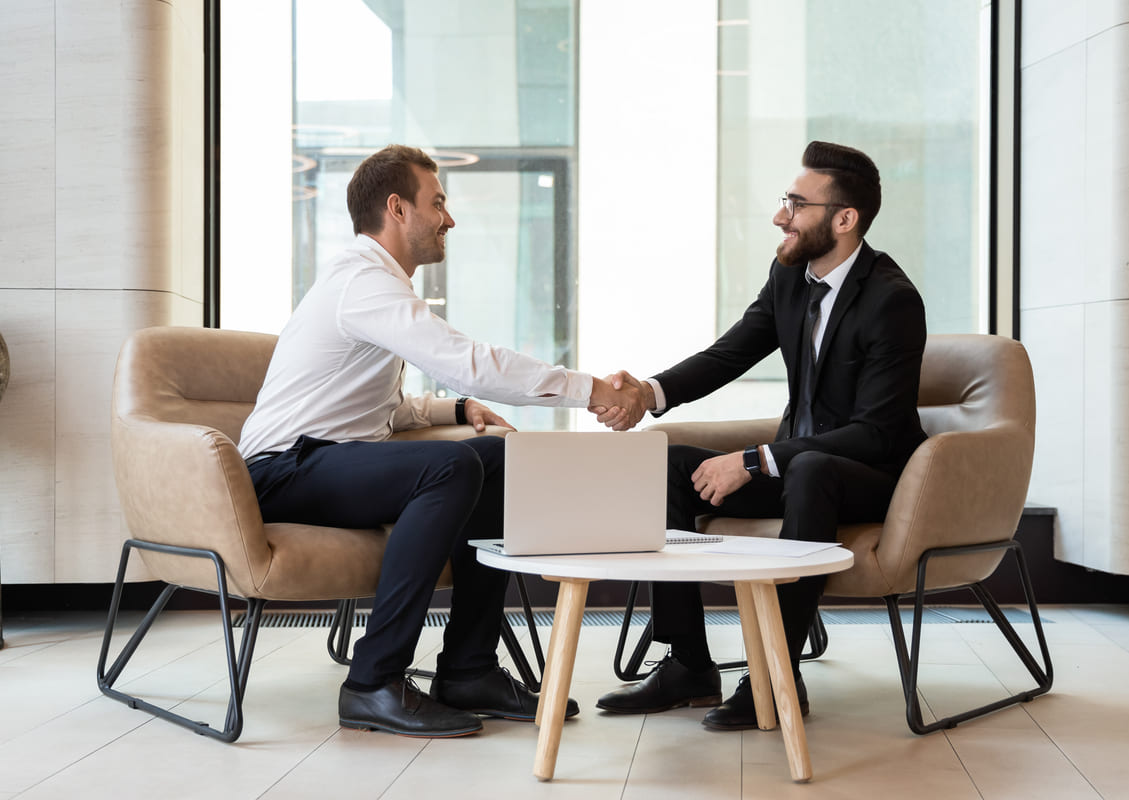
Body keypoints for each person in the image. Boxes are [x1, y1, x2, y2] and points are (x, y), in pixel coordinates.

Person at [238, 144, 640, 739]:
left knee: (498, 457)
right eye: (439, 202)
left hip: (330, 458)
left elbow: (377, 407)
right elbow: (470, 362)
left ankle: (468, 669)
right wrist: (590, 390)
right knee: (450, 466)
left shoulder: (374, 285)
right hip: (283, 469)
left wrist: (454, 408)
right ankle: (372, 682)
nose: (449, 219)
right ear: (397, 209)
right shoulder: (363, 281)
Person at [594, 141, 927, 728]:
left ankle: (776, 673)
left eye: (797, 204)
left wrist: (753, 460)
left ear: (844, 219)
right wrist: (647, 394)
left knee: (811, 468)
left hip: (869, 476)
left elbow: (875, 434)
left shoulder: (892, 302)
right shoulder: (790, 277)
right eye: (784, 201)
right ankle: (687, 663)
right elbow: (731, 353)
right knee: (663, 462)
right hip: (796, 469)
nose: (781, 216)